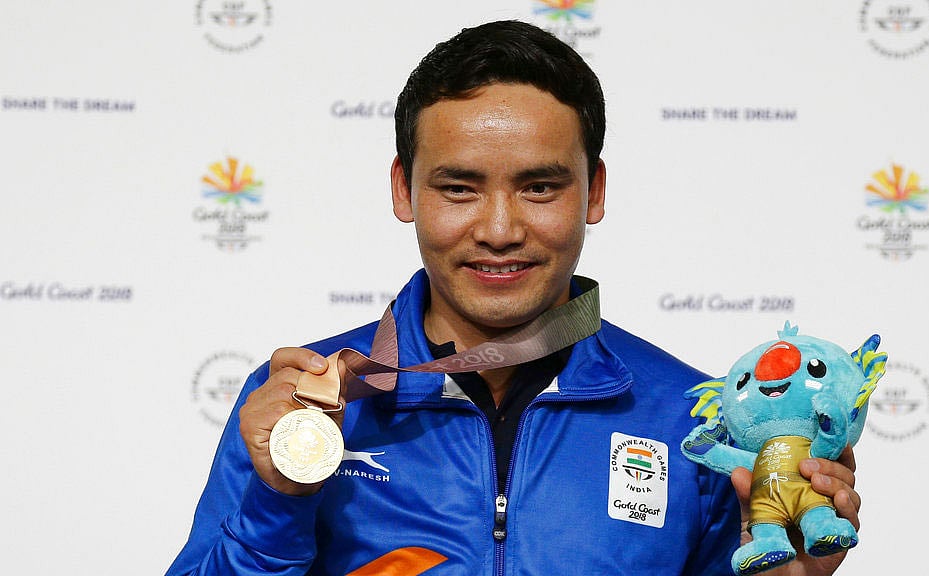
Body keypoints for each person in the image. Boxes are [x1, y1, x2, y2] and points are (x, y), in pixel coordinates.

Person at [167, 20, 860, 576]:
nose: (500, 230)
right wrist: (277, 501)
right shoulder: (301, 405)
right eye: (459, 188)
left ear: (595, 191)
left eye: (540, 187)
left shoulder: (693, 423)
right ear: (404, 190)